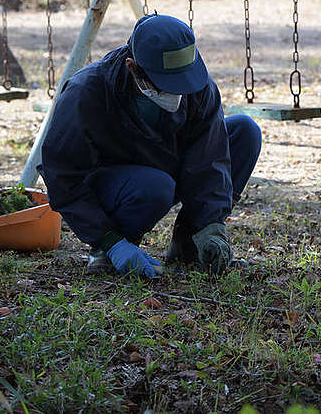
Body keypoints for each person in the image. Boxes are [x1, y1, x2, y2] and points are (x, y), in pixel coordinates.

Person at [38, 14, 263, 277]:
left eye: (183, 83)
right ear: (133, 68)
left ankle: (190, 242)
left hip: (162, 165)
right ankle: (111, 249)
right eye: (168, 86)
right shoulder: (86, 92)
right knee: (155, 186)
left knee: (243, 132)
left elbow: (210, 157)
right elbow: (61, 175)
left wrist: (211, 225)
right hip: (118, 185)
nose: (178, 94)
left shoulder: (197, 86)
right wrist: (109, 241)